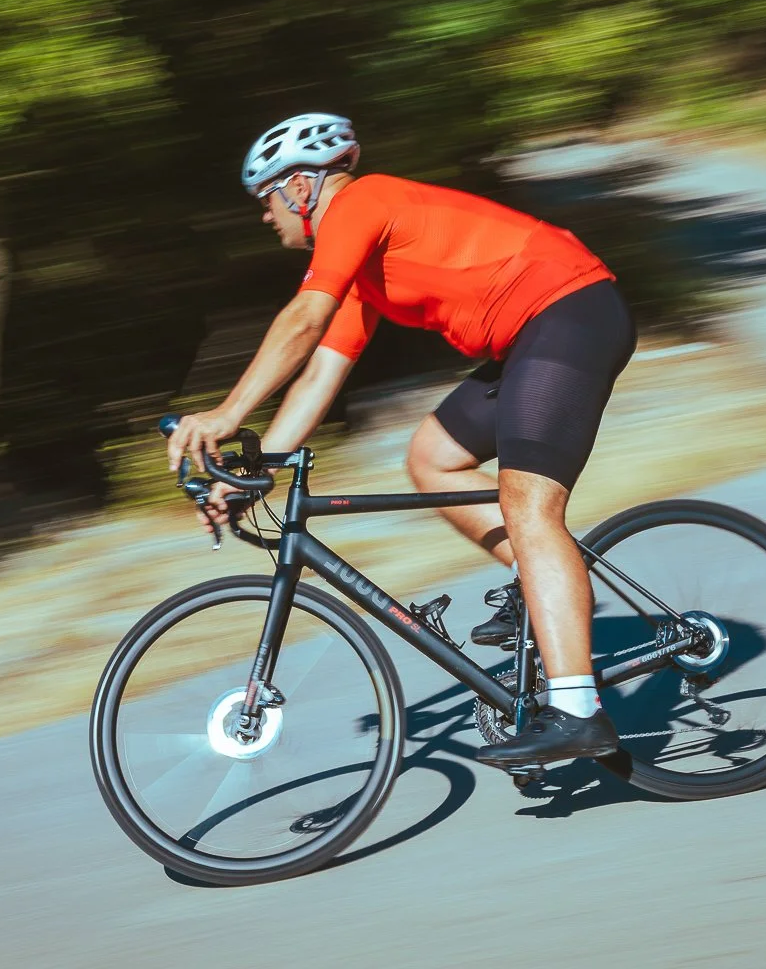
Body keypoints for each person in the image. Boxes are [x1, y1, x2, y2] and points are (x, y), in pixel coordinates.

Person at [166, 112, 637, 766]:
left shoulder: (363, 201)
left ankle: (579, 711)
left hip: (569, 312)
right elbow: (318, 375)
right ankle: (537, 579)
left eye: (267, 199)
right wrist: (262, 470)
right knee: (432, 457)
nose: (265, 216)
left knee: (530, 504)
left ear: (300, 187)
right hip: (534, 334)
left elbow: (303, 319)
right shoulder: (360, 270)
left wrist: (225, 414)